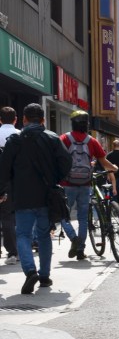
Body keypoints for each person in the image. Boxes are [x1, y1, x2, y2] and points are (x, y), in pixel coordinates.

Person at [0, 103, 72, 293]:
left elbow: (4, 169)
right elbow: (66, 162)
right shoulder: (53, 138)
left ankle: (30, 271)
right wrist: (55, 178)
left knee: (23, 234)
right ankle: (45, 276)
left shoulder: (15, 140)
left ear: (23, 119)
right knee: (43, 235)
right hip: (46, 195)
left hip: (22, 195)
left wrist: (1, 191)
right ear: (43, 120)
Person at [60, 110, 117, 260]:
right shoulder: (92, 141)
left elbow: (56, 159)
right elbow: (104, 162)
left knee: (62, 215)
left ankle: (73, 238)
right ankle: (80, 250)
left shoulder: (64, 138)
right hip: (85, 183)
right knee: (83, 218)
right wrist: (115, 168)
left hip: (67, 183)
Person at [0, 106, 20, 265]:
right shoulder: (20, 135)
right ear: (15, 119)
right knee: (10, 217)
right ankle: (13, 252)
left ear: (0, 120)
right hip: (15, 181)